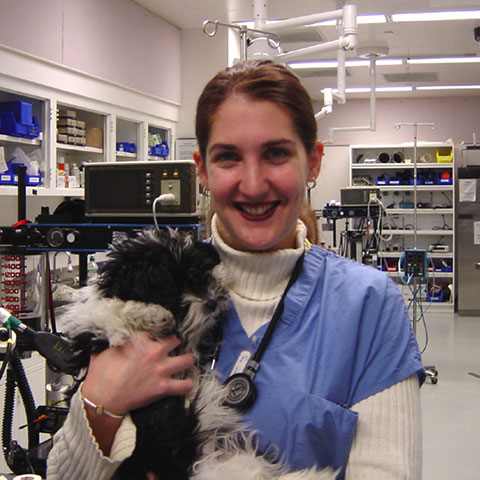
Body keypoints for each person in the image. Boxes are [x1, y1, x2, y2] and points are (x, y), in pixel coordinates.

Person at [47, 59, 425, 479]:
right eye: (228, 157)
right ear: (203, 170)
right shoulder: (146, 287)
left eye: (276, 153)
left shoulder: (367, 306)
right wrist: (101, 403)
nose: (253, 183)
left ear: (313, 162)